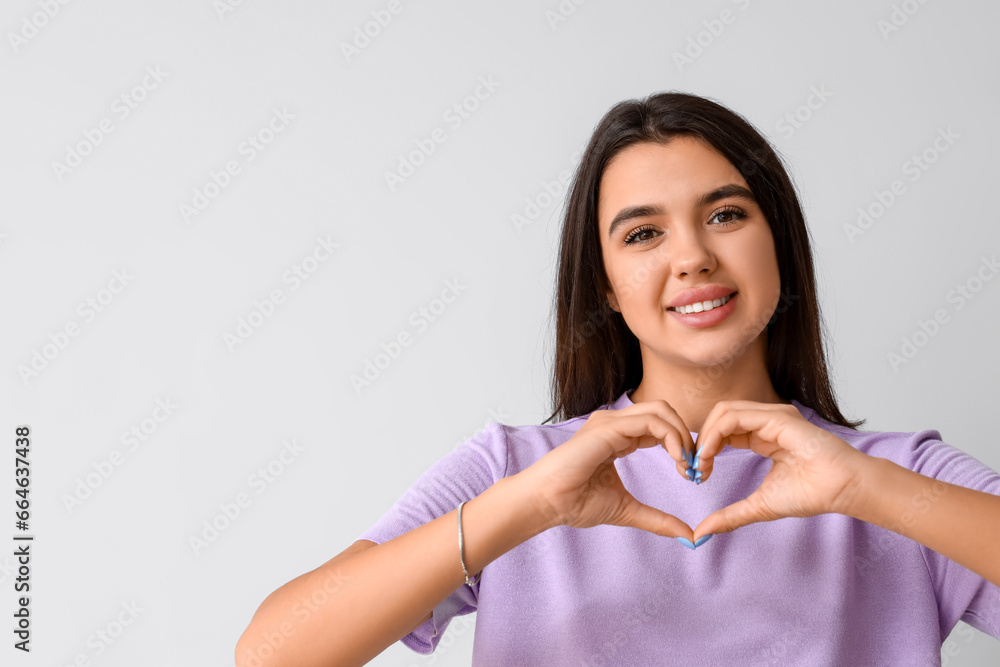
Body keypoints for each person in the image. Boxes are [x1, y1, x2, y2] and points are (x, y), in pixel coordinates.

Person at [235, 91, 1000, 666]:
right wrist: (530, 503)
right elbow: (271, 653)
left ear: (780, 244)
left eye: (727, 215)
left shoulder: (898, 476)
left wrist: (866, 490)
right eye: (643, 233)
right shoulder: (515, 470)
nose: (693, 255)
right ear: (603, 283)